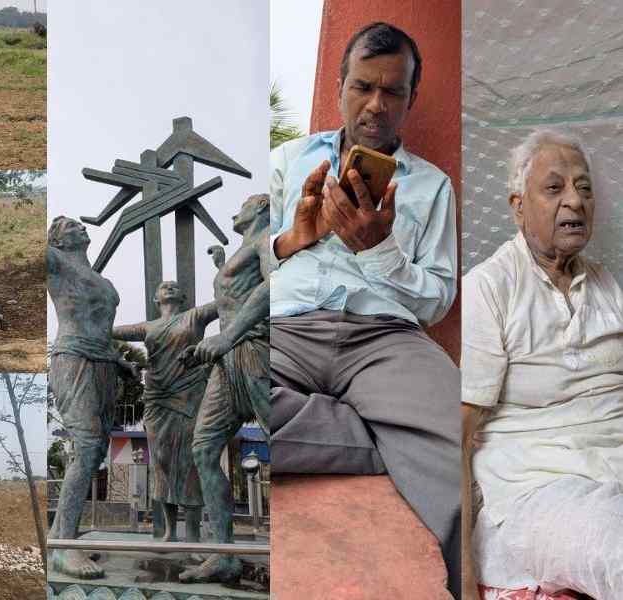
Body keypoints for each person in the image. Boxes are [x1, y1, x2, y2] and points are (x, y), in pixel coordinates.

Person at [269, 22, 461, 599]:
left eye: (393, 92)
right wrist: (294, 237)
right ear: (339, 85)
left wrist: (378, 250)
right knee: (211, 407)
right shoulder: (285, 162)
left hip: (386, 341)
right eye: (363, 87)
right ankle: (386, 438)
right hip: (285, 327)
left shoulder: (431, 186)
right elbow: (235, 267)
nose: (376, 105)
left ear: (410, 98)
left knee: (463, 447)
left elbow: (437, 297)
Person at [462, 129, 623, 600]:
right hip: (537, 495)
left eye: (584, 188)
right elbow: (459, 435)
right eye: (554, 189)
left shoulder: (606, 286)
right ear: (518, 206)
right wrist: (465, 580)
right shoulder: (490, 289)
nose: (574, 201)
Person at [178, 193, 271, 584]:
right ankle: (223, 553)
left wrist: (228, 335)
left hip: (255, 347)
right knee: (202, 448)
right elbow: (235, 293)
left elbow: (273, 287)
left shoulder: (268, 241)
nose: (236, 211)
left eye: (243, 204)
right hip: (226, 359)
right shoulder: (244, 249)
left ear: (262, 209)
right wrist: (222, 265)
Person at [47, 216, 138, 579]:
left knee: (97, 449)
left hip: (104, 363)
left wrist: (119, 360)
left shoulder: (102, 279)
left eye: (78, 224)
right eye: (69, 225)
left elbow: (101, 327)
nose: (79, 227)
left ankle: (58, 538)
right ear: (59, 240)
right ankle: (66, 547)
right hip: (73, 359)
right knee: (85, 447)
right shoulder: (55, 259)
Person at [112, 281, 218, 543]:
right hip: (158, 401)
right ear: (155, 299)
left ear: (183, 296)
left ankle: (192, 533)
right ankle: (170, 531)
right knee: (162, 464)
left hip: (190, 397)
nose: (169, 287)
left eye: (174, 286)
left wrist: (222, 266)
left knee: (190, 463)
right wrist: (121, 361)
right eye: (163, 287)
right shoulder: (147, 327)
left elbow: (227, 300)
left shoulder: (195, 316)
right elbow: (105, 332)